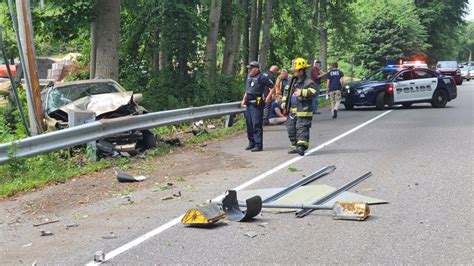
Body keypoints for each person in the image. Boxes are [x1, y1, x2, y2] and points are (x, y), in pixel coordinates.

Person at [281, 58, 318, 156]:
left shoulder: (308, 81)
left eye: (295, 70)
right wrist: (284, 101)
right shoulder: (292, 80)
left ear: (301, 71)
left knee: (302, 129)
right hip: (292, 110)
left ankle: (301, 147)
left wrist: (302, 92)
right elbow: (286, 91)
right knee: (291, 129)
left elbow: (315, 92)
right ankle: (294, 146)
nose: (293, 72)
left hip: (303, 110)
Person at [240, 61, 274, 152]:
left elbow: (272, 86)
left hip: (257, 104)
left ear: (257, 68)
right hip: (249, 104)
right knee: (249, 124)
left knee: (256, 124)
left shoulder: (262, 77)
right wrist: (244, 99)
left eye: (251, 68)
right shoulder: (249, 76)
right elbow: (248, 90)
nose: (250, 70)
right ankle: (252, 143)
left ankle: (258, 145)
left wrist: (268, 97)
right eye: (249, 69)